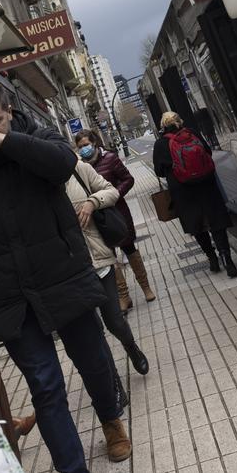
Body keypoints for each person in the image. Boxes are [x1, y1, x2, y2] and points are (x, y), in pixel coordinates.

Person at [0, 80, 130, 471]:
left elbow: (62, 165)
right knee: (45, 386)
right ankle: (72, 468)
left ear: (9, 112)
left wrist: (5, 142)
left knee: (93, 360)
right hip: (12, 291)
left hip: (64, 273)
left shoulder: (39, 138)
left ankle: (111, 418)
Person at [62, 154, 149, 375]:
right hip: (68, 269)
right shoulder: (35, 184)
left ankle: (131, 346)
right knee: (91, 331)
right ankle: (111, 381)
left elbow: (111, 191)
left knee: (114, 320)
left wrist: (92, 202)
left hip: (98, 259)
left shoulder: (78, 169)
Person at [74, 129, 156, 309]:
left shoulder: (110, 159)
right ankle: (124, 296)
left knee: (129, 248)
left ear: (94, 143)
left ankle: (146, 287)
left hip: (117, 213)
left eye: (86, 145)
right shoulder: (79, 168)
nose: (83, 149)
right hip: (97, 219)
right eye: (80, 147)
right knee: (110, 257)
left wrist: (115, 194)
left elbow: (128, 179)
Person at [152, 111, 237, 277]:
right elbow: (208, 151)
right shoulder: (192, 134)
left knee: (197, 226)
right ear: (180, 121)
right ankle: (227, 259)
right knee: (216, 222)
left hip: (183, 191)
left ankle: (212, 258)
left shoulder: (160, 144)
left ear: (163, 126)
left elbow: (159, 171)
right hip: (206, 184)